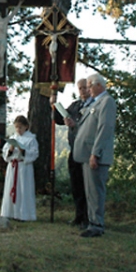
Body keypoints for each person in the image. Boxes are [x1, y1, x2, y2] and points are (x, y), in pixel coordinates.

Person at [73, 73, 116, 238]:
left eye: (90, 85)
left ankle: (97, 225)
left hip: (95, 155)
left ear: (99, 86)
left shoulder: (107, 102)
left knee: (96, 191)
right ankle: (92, 222)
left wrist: (95, 153)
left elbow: (104, 128)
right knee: (90, 191)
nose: (88, 89)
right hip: (86, 155)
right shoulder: (95, 103)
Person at [50, 78, 91, 229]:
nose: (83, 91)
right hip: (74, 149)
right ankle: (79, 216)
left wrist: (76, 124)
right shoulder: (75, 105)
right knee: (76, 185)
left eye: (85, 87)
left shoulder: (94, 105)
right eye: (80, 88)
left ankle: (89, 218)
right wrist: (54, 105)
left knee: (88, 186)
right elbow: (59, 119)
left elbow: (92, 127)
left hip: (87, 151)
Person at [0, 115, 39, 221]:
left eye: (20, 127)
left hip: (24, 167)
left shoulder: (31, 139)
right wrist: (11, 150)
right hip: (13, 166)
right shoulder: (13, 138)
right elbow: (5, 154)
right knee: (11, 188)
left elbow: (34, 154)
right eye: (16, 127)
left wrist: (23, 151)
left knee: (23, 190)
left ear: (26, 127)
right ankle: (10, 213)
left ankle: (24, 214)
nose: (18, 130)